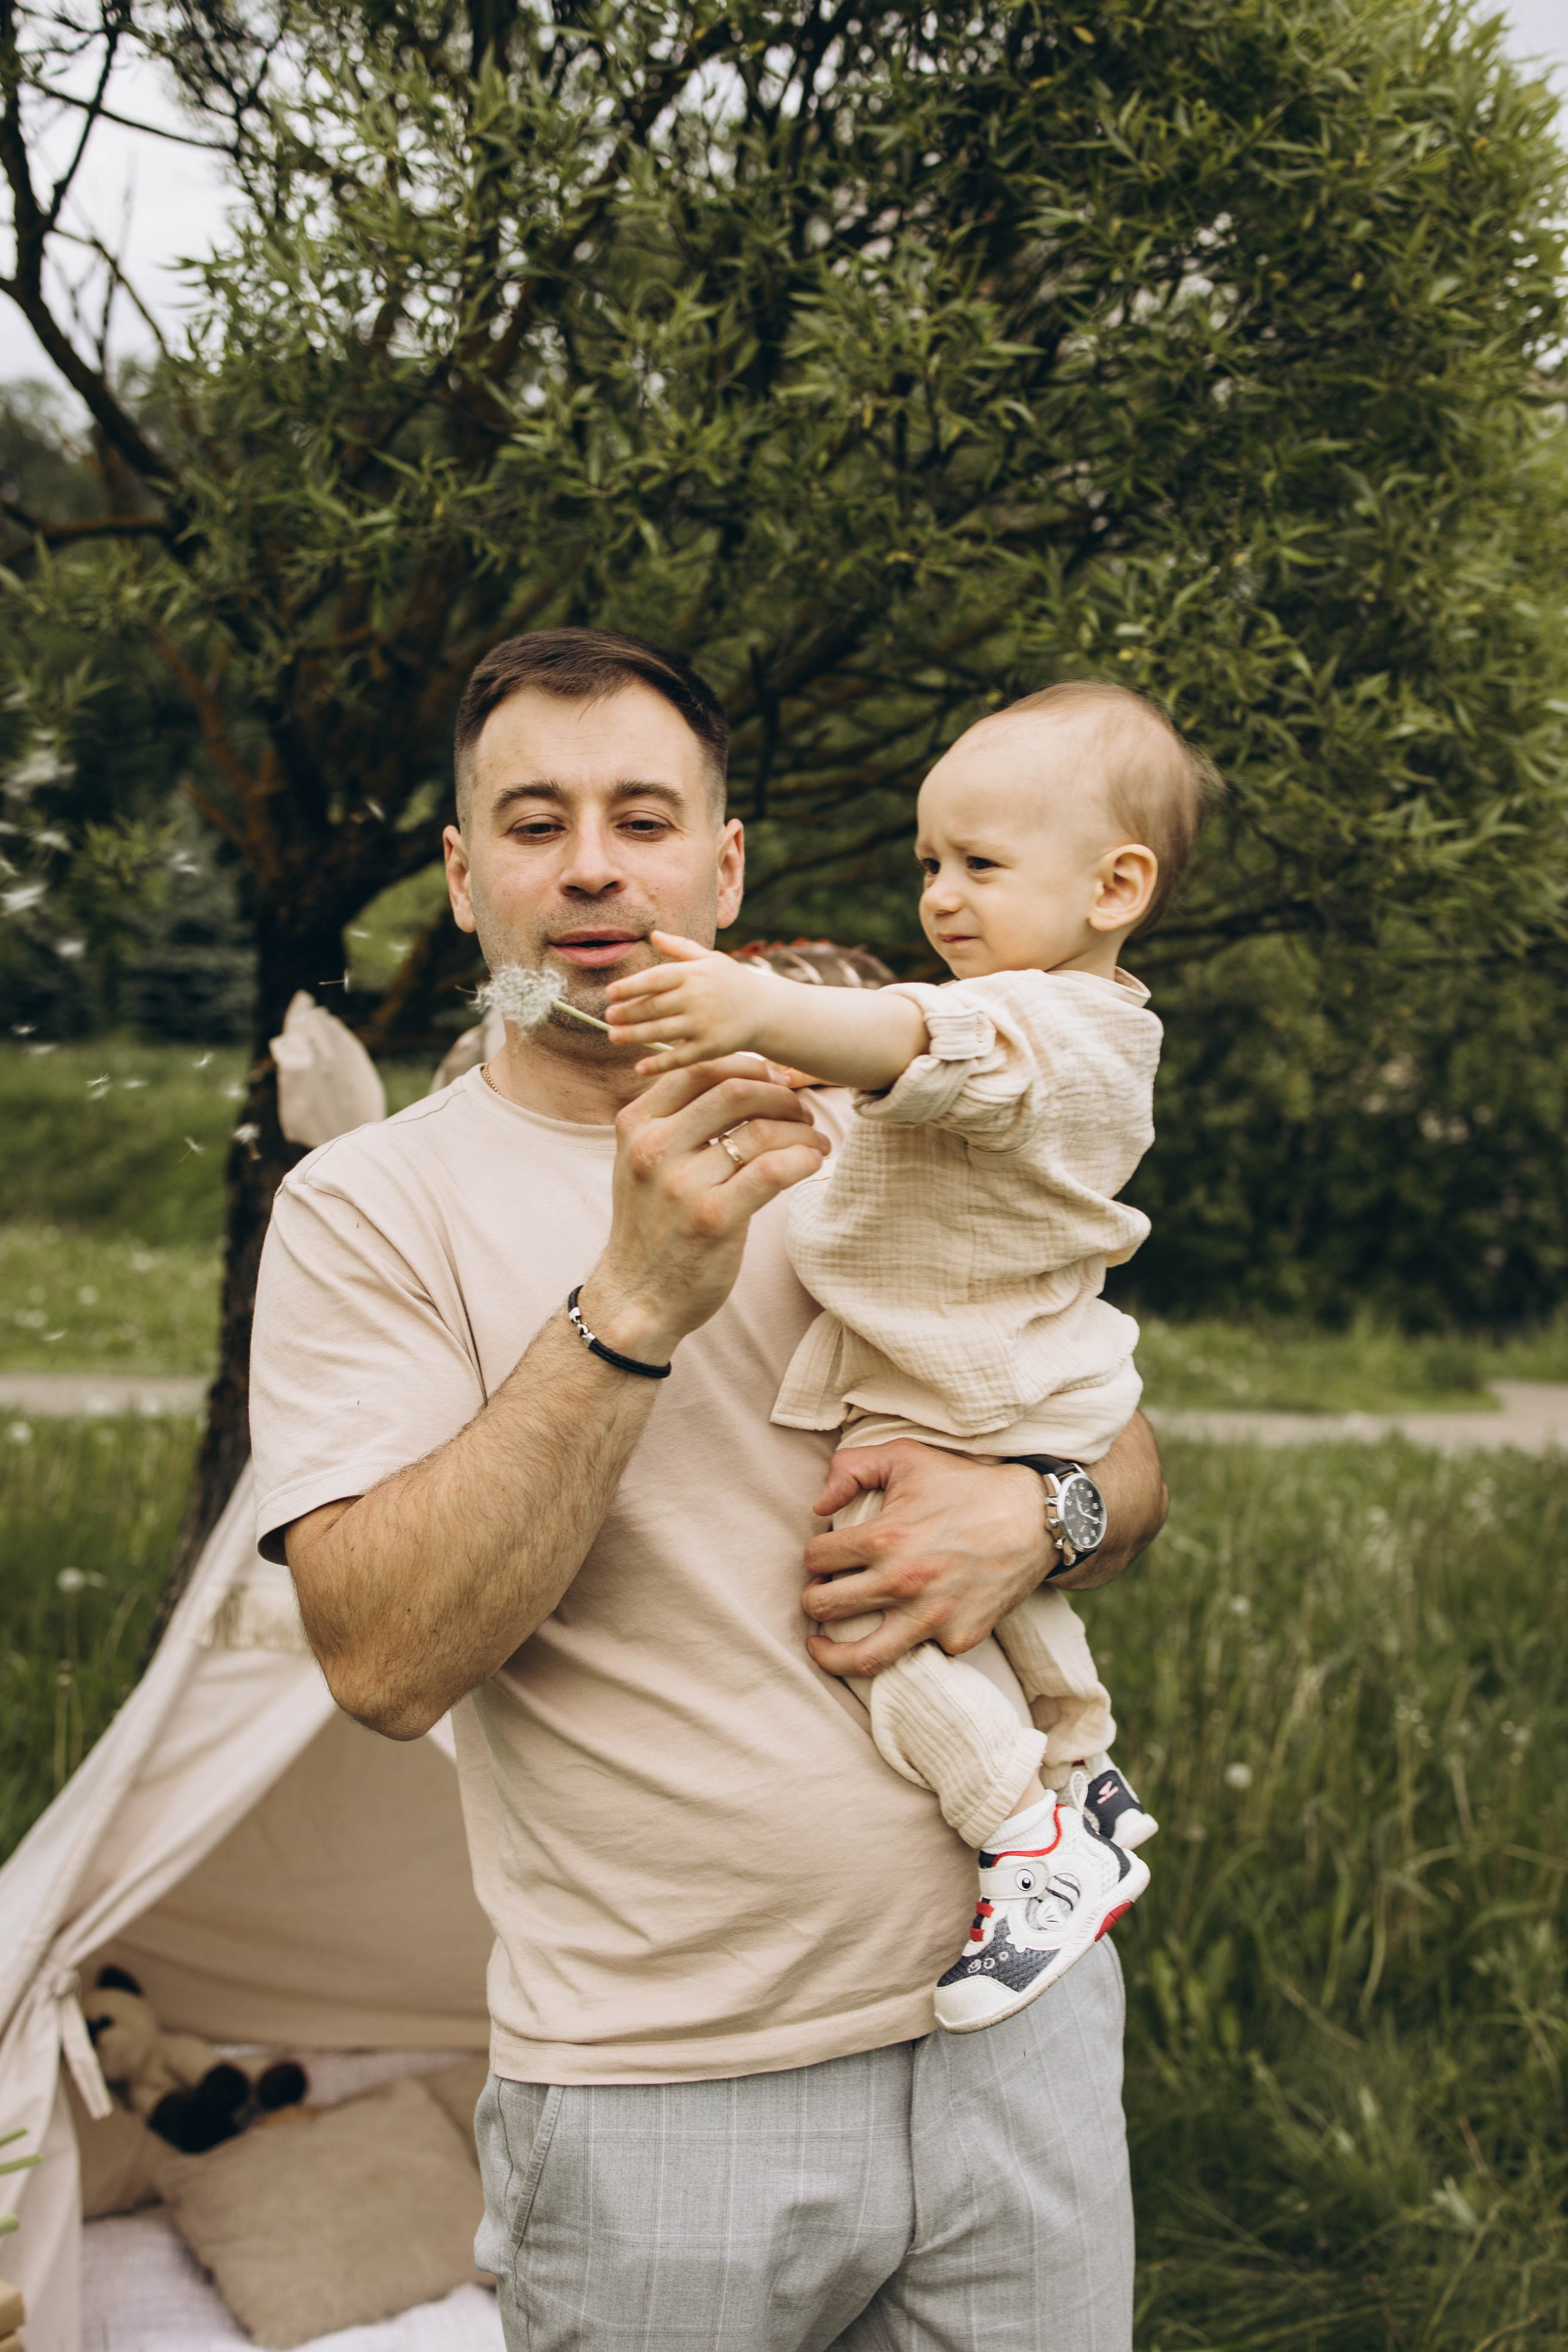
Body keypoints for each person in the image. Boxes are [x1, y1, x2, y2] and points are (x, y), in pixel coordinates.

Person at [249, 627, 1169, 2352]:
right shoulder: (372, 1211)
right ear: (462, 881)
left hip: (1020, 2025)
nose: (593, 863)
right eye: (533, 823)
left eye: (643, 816)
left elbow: (1120, 1442)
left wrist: (1038, 1517)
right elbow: (379, 1660)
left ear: (723, 864)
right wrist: (633, 1309)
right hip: (663, 2089)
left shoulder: (888, 1110)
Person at [604, 682, 1218, 2033]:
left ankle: (1029, 1841)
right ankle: (1081, 1765)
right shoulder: (1045, 1021)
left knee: (869, 1622)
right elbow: (904, 1092)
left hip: (964, 1380)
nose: (941, 895)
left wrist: (749, 1005)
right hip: (1008, 1370)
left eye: (980, 865)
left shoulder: (1047, 1031)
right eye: (929, 861)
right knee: (981, 1588)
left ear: (1115, 885)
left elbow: (907, 1038)